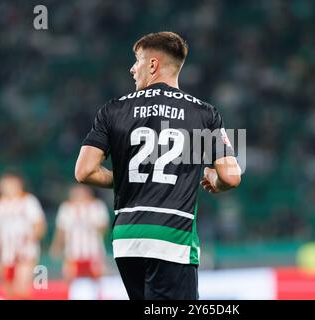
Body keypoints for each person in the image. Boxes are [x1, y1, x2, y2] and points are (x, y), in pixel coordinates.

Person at [75, 31, 241, 300]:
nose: (132, 69)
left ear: (153, 65)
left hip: (127, 241)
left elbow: (84, 171)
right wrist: (214, 178)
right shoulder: (204, 113)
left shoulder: (113, 109)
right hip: (172, 238)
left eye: (137, 61)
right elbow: (232, 177)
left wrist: (132, 176)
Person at [0, 173, 46, 299]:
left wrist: (30, 241)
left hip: (25, 252)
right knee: (8, 291)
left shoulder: (28, 201)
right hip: (5, 253)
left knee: (22, 288)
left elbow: (39, 225)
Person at [50, 184, 109, 286]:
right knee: (69, 277)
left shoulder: (97, 206)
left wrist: (89, 221)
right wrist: (56, 246)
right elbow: (61, 229)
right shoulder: (66, 208)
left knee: (98, 278)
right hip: (72, 251)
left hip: (93, 250)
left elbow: (104, 228)